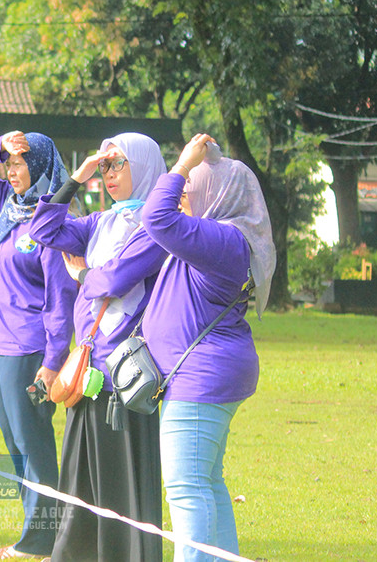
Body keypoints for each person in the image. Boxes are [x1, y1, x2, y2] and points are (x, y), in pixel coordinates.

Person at [28, 132, 169, 562]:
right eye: (104, 167)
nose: (109, 175)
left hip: (127, 377)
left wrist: (83, 273)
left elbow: (114, 280)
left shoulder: (157, 224)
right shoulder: (101, 222)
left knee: (122, 483)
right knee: (80, 481)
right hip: (87, 375)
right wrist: (78, 175)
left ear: (143, 166)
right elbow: (43, 229)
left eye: (117, 164)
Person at [140, 134, 275, 562]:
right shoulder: (221, 239)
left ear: (218, 194)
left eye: (190, 189)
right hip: (205, 373)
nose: (182, 198)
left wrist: (181, 165)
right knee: (206, 483)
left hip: (200, 379)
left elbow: (156, 219)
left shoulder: (224, 240)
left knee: (186, 487)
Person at [0, 131, 77, 560]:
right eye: (6, 164)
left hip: (28, 349)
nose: (10, 172)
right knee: (14, 443)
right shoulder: (5, 209)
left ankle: (40, 542)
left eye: (19, 163)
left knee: (34, 443)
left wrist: (52, 360)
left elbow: (60, 301)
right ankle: (37, 532)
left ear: (42, 167)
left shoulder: (52, 221)